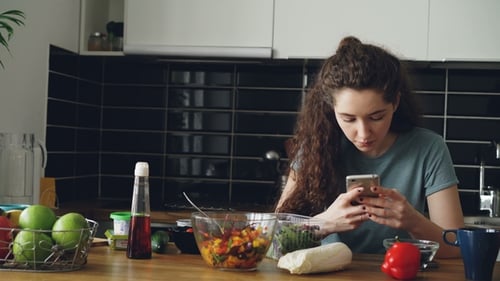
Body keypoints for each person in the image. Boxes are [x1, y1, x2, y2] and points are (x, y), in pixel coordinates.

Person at [275, 36, 464, 258]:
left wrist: (412, 221)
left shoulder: (429, 148)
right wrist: (324, 223)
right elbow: (274, 243)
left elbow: (457, 248)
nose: (363, 133)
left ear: (395, 102)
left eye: (376, 117)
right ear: (331, 109)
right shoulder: (315, 147)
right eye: (348, 119)